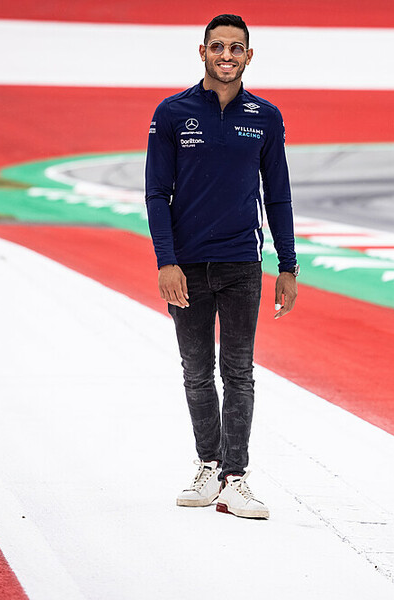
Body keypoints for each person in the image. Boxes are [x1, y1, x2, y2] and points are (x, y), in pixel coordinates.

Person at [144, 14, 298, 520]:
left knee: (239, 372)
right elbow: (156, 194)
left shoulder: (265, 116)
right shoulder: (172, 113)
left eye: (236, 48)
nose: (226, 55)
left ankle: (236, 480)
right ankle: (208, 467)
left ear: (248, 56)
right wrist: (166, 261)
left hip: (242, 265)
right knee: (195, 371)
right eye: (217, 46)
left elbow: (278, 195)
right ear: (203, 52)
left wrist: (288, 265)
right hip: (186, 267)